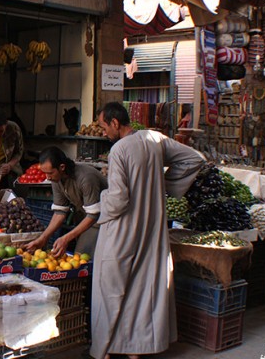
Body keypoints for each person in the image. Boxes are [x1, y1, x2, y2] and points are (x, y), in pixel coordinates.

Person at [91, 102, 205, 359]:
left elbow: (119, 199)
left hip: (123, 229)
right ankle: (135, 350)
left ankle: (105, 348)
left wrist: (102, 200)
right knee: (143, 287)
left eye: (103, 126)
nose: (103, 132)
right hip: (152, 225)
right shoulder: (154, 138)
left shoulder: (119, 149)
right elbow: (194, 158)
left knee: (109, 285)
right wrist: (162, 184)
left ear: (115, 123)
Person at [23, 146, 107, 258]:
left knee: (83, 257)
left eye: (50, 173)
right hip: (87, 218)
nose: (48, 177)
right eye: (45, 173)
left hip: (103, 220)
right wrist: (42, 239)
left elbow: (93, 215)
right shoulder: (56, 179)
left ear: (62, 167)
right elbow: (59, 212)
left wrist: (66, 238)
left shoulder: (86, 178)